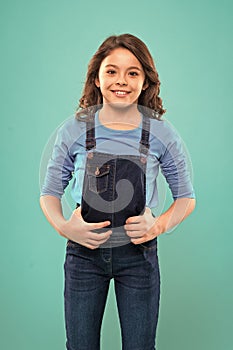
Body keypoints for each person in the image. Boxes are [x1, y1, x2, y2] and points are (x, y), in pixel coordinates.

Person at [40, 33, 195, 350]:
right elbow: (49, 193)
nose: (121, 81)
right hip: (84, 256)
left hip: (138, 257)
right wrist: (64, 227)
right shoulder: (74, 129)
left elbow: (186, 199)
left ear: (145, 80)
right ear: (97, 78)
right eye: (111, 71)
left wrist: (158, 225)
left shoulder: (162, 132)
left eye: (133, 72)